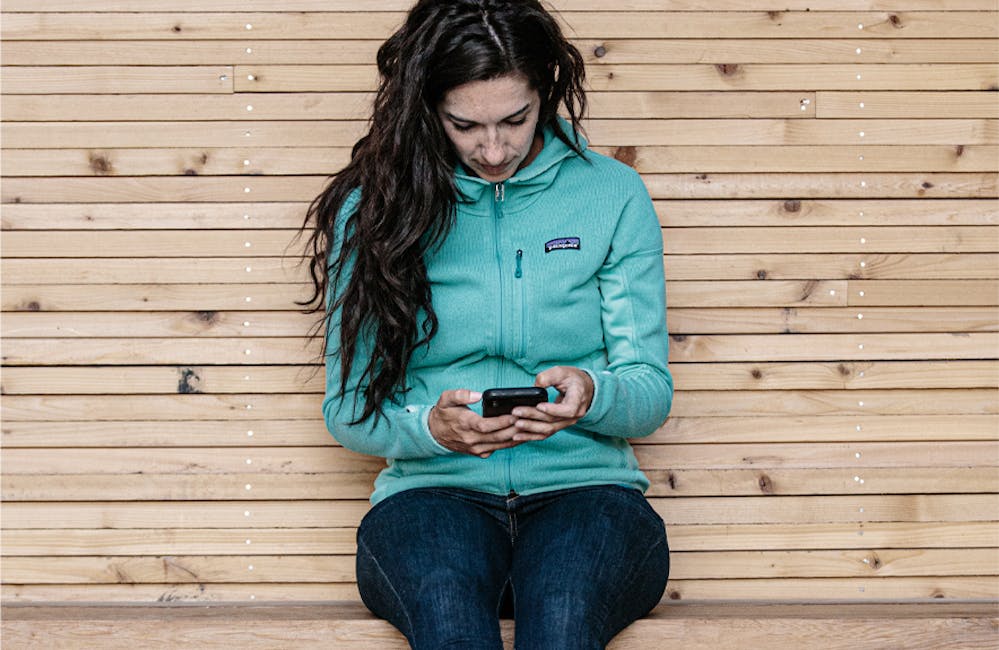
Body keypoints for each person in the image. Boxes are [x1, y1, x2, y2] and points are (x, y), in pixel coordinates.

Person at [300, 1, 673, 647]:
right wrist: (432, 430)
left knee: (561, 613)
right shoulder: (376, 208)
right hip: (431, 498)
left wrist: (593, 394)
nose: (493, 149)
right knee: (448, 614)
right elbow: (348, 410)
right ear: (426, 108)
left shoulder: (611, 194)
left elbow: (648, 391)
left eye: (514, 120)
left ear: (545, 93)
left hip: (586, 493)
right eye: (464, 125)